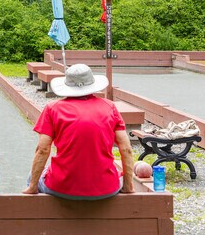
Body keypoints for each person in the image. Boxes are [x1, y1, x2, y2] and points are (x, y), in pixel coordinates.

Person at [22, 63, 135, 199]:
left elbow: (43, 149)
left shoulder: (52, 109)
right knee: (116, 173)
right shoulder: (110, 107)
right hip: (105, 188)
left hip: (62, 187)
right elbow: (126, 148)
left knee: (31, 176)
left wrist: (32, 187)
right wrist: (128, 186)